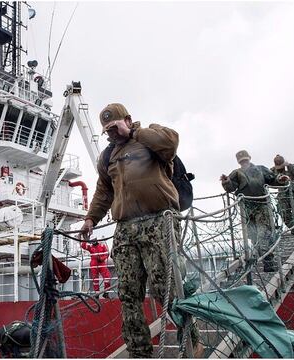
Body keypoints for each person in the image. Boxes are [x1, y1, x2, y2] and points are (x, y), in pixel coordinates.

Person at [80, 103, 201, 358]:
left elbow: (170, 143)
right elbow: (104, 191)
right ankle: (140, 352)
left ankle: (191, 340)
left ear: (127, 119)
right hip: (125, 229)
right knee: (128, 293)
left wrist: (134, 132)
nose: (110, 133)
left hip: (158, 221)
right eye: (106, 130)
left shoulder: (149, 137)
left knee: (165, 287)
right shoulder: (107, 156)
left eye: (113, 127)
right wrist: (91, 218)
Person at [220, 150, 289, 272]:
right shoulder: (236, 173)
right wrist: (226, 181)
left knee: (265, 233)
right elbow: (231, 188)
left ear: (249, 158)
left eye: (245, 160)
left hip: (262, 205)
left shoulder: (260, 169)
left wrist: (281, 179)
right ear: (239, 162)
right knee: (253, 236)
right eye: (242, 161)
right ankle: (263, 258)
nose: (244, 163)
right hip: (246, 208)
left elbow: (272, 179)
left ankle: (269, 262)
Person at [271, 155, 294, 236]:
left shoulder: (291, 167)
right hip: (282, 194)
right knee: (284, 213)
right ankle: (293, 229)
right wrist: (278, 179)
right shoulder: (273, 170)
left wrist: (289, 166)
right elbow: (269, 181)